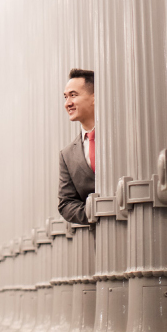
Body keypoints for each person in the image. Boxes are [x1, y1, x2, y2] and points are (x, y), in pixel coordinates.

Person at [57, 69, 97, 225]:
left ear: (94, 97)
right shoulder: (66, 155)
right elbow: (66, 203)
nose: (68, 103)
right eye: (66, 97)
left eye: (73, 95)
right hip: (100, 238)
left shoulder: (121, 137)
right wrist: (95, 213)